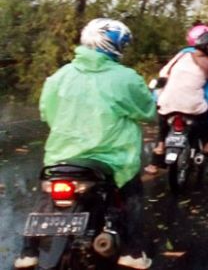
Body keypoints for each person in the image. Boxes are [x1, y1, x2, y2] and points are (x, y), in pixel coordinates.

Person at [15, 18, 155, 269]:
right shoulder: (126, 78)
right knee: (131, 192)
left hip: (62, 157)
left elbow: (47, 113)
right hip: (111, 159)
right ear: (115, 46)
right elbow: (147, 111)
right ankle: (132, 253)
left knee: (48, 195)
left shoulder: (59, 76)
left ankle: (28, 253)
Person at [146, 24, 208, 182]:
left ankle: (156, 158)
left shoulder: (181, 55)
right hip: (194, 104)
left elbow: (164, 73)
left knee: (163, 121)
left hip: (167, 102)